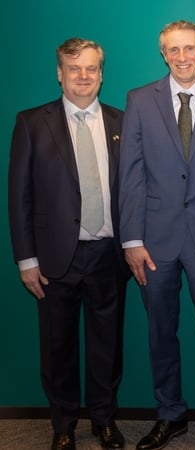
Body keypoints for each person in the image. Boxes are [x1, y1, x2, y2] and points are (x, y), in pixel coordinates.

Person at [118, 20, 195, 450]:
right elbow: (130, 175)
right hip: (154, 240)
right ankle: (170, 414)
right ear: (163, 54)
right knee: (160, 332)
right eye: (173, 50)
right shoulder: (139, 100)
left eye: (190, 48)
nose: (182, 57)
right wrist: (131, 240)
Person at [8, 37, 129, 450]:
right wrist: (26, 258)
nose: (83, 76)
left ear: (101, 73)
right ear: (60, 73)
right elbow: (19, 194)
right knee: (57, 348)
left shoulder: (121, 122)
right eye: (74, 68)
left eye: (91, 68)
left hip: (109, 254)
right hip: (54, 256)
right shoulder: (31, 122)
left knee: (107, 347)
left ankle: (104, 419)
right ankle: (63, 426)